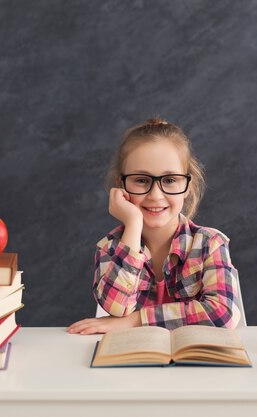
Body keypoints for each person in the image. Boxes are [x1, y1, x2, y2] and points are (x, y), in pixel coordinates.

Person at [67, 118, 241, 335]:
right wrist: (132, 224)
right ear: (122, 185)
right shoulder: (110, 247)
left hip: (197, 365)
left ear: (187, 186)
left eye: (169, 180)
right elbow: (116, 307)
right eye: (141, 180)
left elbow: (222, 314)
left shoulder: (209, 243)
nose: (155, 195)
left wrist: (136, 320)